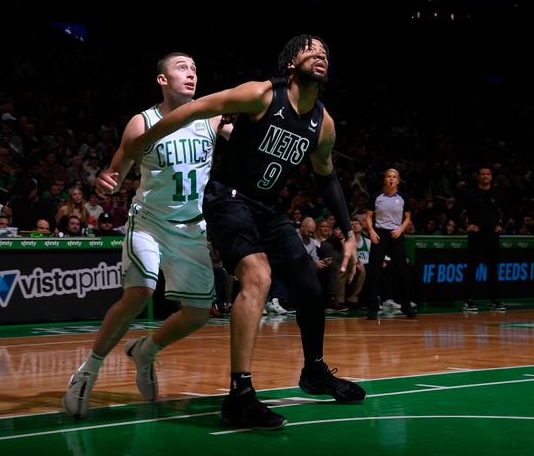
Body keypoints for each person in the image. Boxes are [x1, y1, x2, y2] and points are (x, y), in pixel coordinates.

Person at [128, 34, 365, 430]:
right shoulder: (261, 95)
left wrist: (349, 233)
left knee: (309, 286)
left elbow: (327, 177)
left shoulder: (322, 123)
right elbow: (197, 108)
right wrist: (138, 143)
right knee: (258, 276)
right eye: (311, 49)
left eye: (325, 50)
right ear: (291, 64)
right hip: (227, 199)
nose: (321, 53)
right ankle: (239, 395)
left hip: (268, 210)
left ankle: (315, 372)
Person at [62, 51, 231, 419]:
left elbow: (246, 139)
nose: (191, 74)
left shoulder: (212, 118)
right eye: (182, 68)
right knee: (140, 291)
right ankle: (87, 371)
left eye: (194, 69)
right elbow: (115, 173)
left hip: (191, 228)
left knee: (199, 313)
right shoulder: (142, 123)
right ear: (162, 80)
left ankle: (147, 350)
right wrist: (107, 181)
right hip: (150, 223)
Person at [363, 169, 417, 320]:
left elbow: (407, 217)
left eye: (394, 177)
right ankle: (373, 308)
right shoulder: (376, 196)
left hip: (396, 235)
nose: (391, 179)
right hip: (379, 234)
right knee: (374, 273)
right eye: (388, 176)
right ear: (384, 179)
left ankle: (406, 306)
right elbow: (368, 216)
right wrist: (371, 231)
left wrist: (401, 228)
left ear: (398, 181)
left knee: (404, 273)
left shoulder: (403, 198)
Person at [461, 164, 506, 313]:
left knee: (492, 269)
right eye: (483, 174)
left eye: (488, 174)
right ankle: (468, 300)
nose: (485, 176)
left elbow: (508, 210)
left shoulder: (496, 193)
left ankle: (495, 301)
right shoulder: (470, 193)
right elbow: (456, 210)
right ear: (478, 176)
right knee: (472, 268)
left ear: (491, 177)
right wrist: (466, 225)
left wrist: (501, 225)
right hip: (476, 235)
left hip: (492, 235)